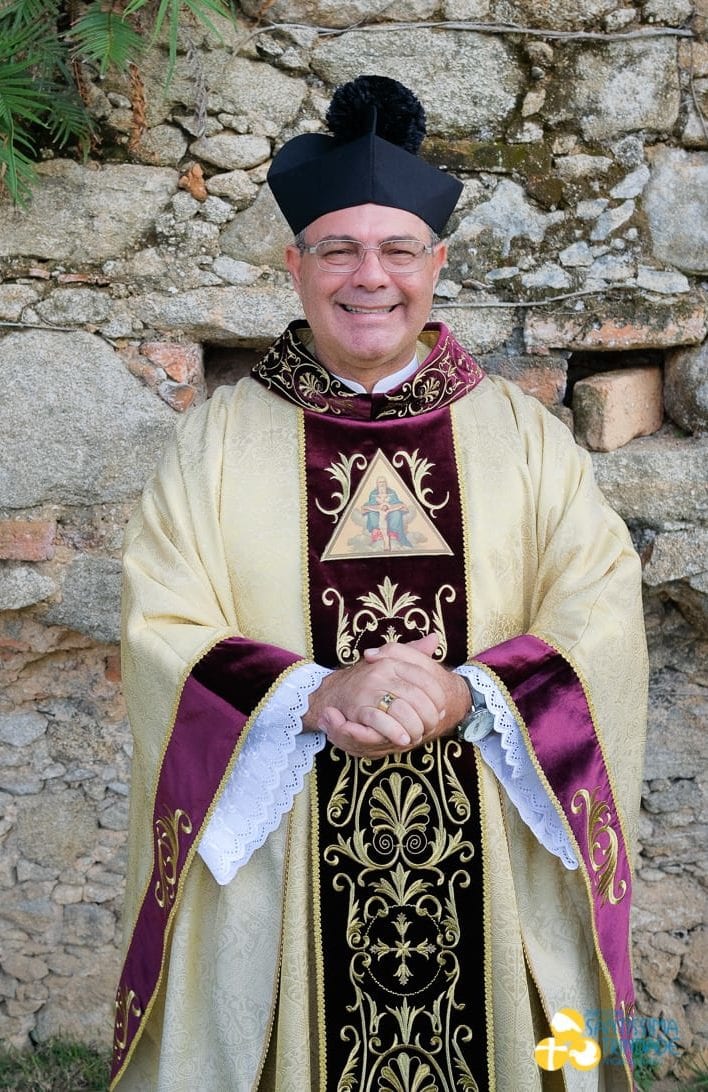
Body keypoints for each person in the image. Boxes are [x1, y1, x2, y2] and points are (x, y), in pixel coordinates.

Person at [110, 76, 647, 1091]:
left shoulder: (525, 440)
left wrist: (469, 693)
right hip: (285, 890)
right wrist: (311, 696)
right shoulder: (212, 448)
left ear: (437, 263)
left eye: (399, 250)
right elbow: (160, 626)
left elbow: (602, 610)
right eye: (338, 250)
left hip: (490, 863)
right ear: (295, 265)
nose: (371, 277)